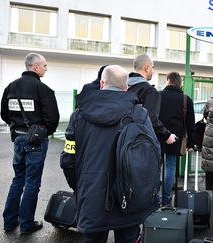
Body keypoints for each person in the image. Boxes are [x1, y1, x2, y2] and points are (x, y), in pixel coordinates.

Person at [60, 65, 156, 242]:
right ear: (126, 87)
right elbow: (151, 157)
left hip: (91, 196)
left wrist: (79, 187)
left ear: (102, 84)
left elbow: (68, 159)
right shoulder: (140, 114)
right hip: (129, 196)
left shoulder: (78, 116)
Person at [0, 53, 60, 234]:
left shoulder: (10, 87)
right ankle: (26, 225)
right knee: (32, 183)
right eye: (44, 65)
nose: (46, 68)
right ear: (35, 67)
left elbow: (4, 114)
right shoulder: (43, 89)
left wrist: (18, 125)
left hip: (17, 138)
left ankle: (9, 222)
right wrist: (42, 132)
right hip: (35, 141)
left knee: (18, 179)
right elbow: (52, 119)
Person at [158, 71, 196, 206]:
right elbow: (191, 123)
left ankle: (155, 198)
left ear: (168, 81)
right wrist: (191, 142)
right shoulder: (186, 99)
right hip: (176, 138)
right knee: (170, 167)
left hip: (158, 136)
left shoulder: (158, 96)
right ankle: (166, 200)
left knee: (157, 168)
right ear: (180, 83)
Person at [127, 54, 177, 144]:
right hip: (139, 142)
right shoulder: (150, 91)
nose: (153, 71)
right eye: (152, 67)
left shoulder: (122, 86)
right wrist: (167, 135)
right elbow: (151, 119)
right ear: (147, 68)